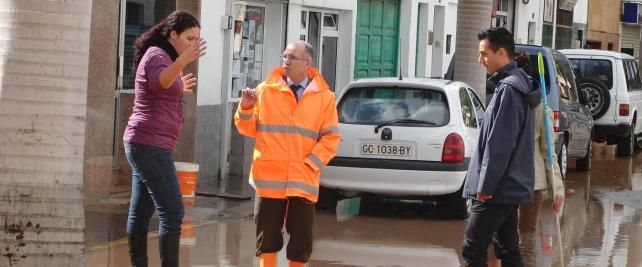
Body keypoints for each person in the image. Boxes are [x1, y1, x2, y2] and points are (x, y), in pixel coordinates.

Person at [234, 40, 341, 267]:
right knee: (267, 240)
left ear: (307, 62)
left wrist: (311, 163)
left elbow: (331, 138)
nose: (286, 61)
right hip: (269, 179)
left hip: (303, 179)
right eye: (284, 56)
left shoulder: (324, 97)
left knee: (301, 242)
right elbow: (247, 128)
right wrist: (245, 108)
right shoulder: (265, 90)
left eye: (292, 57)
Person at [122, 10, 206, 267]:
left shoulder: (163, 57)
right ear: (172, 34)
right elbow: (160, 82)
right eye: (189, 38)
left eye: (196, 39)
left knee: (142, 211)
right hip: (150, 145)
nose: (193, 44)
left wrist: (180, 84)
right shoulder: (157, 55)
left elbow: (165, 84)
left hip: (147, 144)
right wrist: (182, 61)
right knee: (173, 212)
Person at [461, 27, 541, 267]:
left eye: (484, 54)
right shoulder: (514, 86)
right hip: (508, 185)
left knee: (473, 248)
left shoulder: (508, 89)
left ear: (502, 53)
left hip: (496, 189)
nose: (480, 60)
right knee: (507, 248)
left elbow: (500, 145)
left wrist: (485, 186)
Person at [513, 51, 565, 267]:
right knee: (507, 238)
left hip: (532, 185)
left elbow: (549, 153)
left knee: (526, 237)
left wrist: (557, 190)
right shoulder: (506, 102)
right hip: (509, 182)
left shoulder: (541, 109)